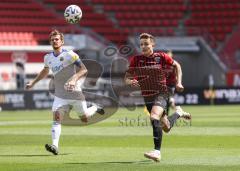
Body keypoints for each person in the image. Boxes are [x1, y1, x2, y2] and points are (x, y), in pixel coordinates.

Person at [26, 29, 104, 155]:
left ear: (62, 41)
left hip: (75, 92)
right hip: (60, 95)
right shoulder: (47, 58)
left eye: (57, 39)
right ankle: (55, 146)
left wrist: (73, 79)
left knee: (84, 118)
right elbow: (45, 71)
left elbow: (84, 70)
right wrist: (33, 82)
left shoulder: (70, 54)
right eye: (52, 40)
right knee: (57, 118)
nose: (54, 41)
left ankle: (95, 107)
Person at [124, 33, 191, 162]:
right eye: (141, 44)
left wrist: (179, 82)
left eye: (146, 44)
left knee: (154, 117)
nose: (143, 46)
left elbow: (177, 65)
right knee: (165, 127)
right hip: (147, 97)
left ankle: (157, 152)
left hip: (161, 93)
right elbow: (126, 77)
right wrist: (130, 82)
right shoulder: (136, 60)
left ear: (152, 44)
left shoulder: (161, 57)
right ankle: (178, 113)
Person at [165, 50, 177, 115]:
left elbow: (177, 74)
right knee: (168, 101)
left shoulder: (174, 64)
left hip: (171, 85)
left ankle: (178, 112)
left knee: (169, 101)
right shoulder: (164, 64)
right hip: (165, 85)